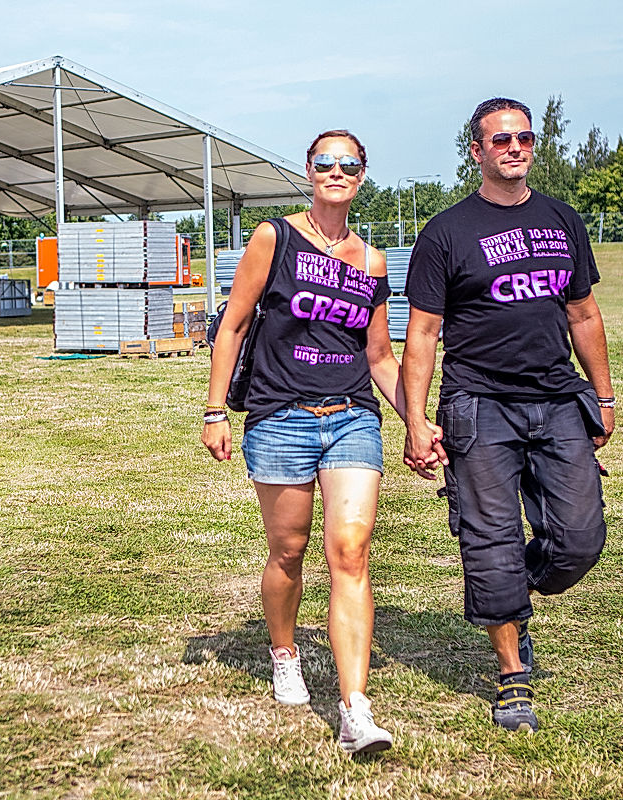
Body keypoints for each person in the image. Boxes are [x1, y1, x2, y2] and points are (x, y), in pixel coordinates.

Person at [203, 130, 441, 754]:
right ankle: (284, 652)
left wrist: (416, 420)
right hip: (280, 415)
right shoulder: (272, 238)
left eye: (349, 164)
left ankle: (355, 709)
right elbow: (231, 326)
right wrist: (213, 411)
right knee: (289, 551)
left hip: (353, 416)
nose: (337, 171)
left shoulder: (373, 262)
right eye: (326, 163)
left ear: (363, 175)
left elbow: (381, 356)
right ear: (309, 171)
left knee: (350, 549)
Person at [401, 98, 615, 733]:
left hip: (557, 398)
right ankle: (512, 672)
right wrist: (416, 420)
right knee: (490, 540)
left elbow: (583, 313)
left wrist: (602, 397)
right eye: (500, 140)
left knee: (579, 540)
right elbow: (423, 333)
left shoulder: (562, 219)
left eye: (523, 137)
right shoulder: (446, 231)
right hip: (479, 404)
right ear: (477, 152)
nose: (514, 148)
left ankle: (509, 584)